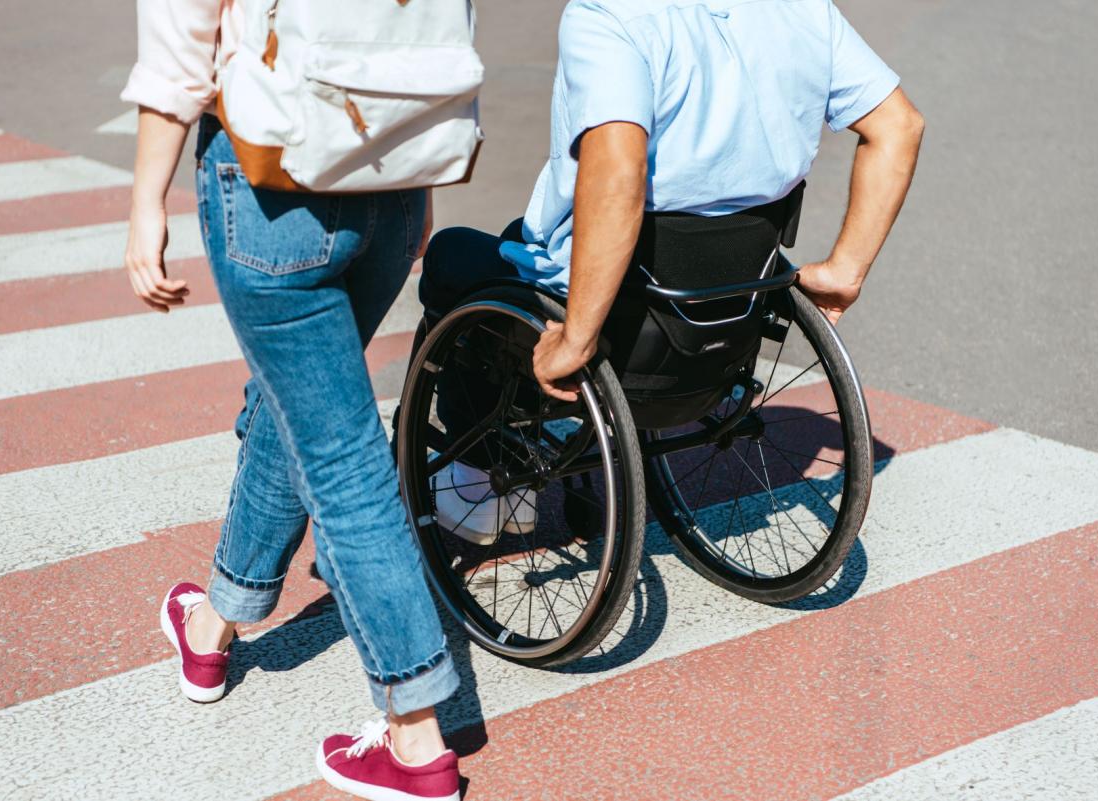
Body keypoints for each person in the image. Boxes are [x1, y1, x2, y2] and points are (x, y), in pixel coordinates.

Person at [121, 1, 464, 798]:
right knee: (303, 406)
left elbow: (182, 36)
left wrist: (145, 204)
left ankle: (417, 741)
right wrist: (424, 179)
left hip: (273, 182)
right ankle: (213, 625)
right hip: (393, 174)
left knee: (344, 461)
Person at [422, 0, 924, 541]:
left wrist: (578, 337)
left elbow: (619, 173)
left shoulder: (610, 14)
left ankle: (476, 474)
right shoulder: (804, 10)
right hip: (729, 294)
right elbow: (899, 125)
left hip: (624, 301)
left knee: (452, 256)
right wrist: (845, 270)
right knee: (515, 239)